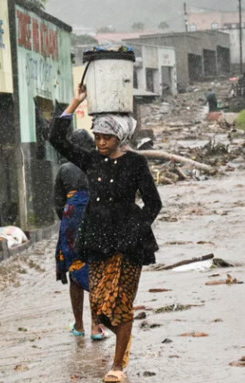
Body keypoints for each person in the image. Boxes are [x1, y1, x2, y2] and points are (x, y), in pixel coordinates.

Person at [50, 85, 162, 383]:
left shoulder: (136, 163)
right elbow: (56, 138)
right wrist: (75, 102)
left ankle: (117, 365)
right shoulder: (92, 160)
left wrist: (136, 231)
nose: (100, 142)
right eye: (97, 136)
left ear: (119, 138)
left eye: (106, 137)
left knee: (119, 302)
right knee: (100, 306)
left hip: (128, 246)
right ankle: (124, 339)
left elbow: (153, 203)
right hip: (96, 242)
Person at [54, 129, 105, 340]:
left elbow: (58, 203)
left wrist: (68, 223)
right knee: (97, 270)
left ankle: (79, 325)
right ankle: (96, 327)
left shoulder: (65, 169)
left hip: (72, 222)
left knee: (75, 270)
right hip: (97, 218)